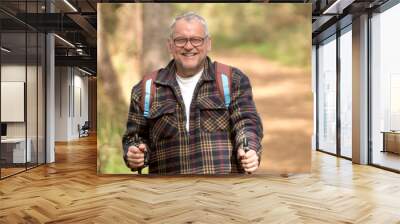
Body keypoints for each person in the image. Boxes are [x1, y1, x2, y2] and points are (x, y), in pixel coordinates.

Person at [122, 12, 263, 174]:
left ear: (208, 43)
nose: (188, 46)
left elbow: (246, 122)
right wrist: (135, 154)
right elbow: (135, 137)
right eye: (180, 40)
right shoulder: (146, 88)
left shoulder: (232, 80)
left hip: (223, 194)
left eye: (196, 40)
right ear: (170, 45)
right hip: (167, 195)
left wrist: (249, 148)